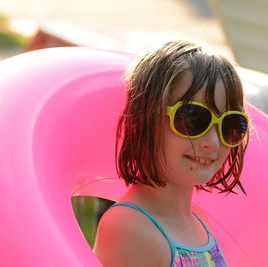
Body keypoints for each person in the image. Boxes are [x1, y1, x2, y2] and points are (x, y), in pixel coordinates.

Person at [93, 41, 249, 267]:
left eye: (230, 125)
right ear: (146, 119)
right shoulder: (130, 227)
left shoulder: (199, 222)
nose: (213, 142)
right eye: (195, 119)